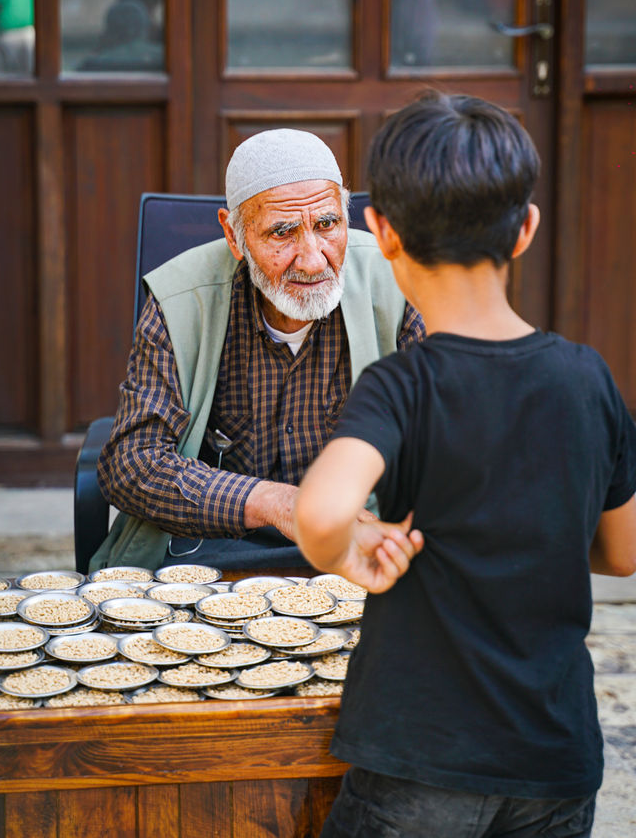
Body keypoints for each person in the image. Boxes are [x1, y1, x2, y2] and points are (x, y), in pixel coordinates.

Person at [294, 91, 636, 838]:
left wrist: (350, 549)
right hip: (556, 757)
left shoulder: (402, 382)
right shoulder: (589, 378)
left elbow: (320, 512)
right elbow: (622, 551)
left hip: (420, 759)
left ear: (378, 233)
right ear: (526, 230)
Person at [92, 128, 425, 573]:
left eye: (327, 224)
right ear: (235, 236)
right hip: (212, 554)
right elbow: (132, 464)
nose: (312, 259)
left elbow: (445, 437)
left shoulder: (396, 282)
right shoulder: (181, 298)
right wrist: (276, 503)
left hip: (357, 544)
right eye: (282, 233)